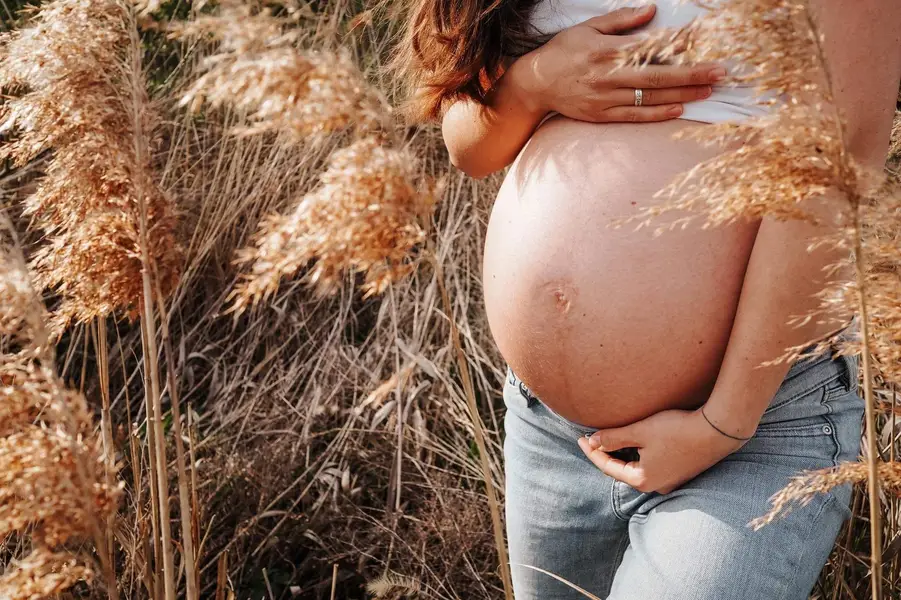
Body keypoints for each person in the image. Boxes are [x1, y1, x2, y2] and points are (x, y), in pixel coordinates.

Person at [398, 1, 901, 598]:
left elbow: (839, 162)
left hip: (750, 429)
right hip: (553, 432)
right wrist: (534, 84)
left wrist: (723, 424)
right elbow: (469, 148)